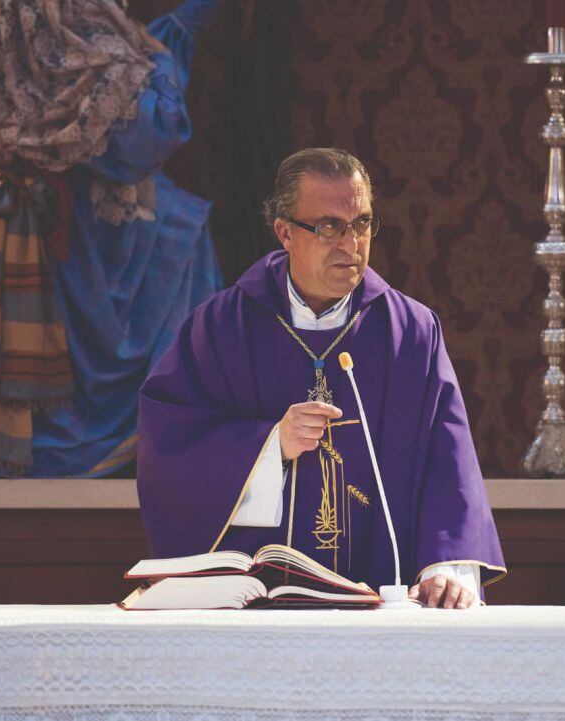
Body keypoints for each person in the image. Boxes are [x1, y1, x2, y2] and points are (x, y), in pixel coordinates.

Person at [137, 148, 505, 608]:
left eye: (363, 223)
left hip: (382, 604)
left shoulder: (410, 332)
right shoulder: (221, 327)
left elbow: (448, 456)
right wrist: (270, 445)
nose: (351, 245)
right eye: (329, 226)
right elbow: (169, 444)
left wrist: (447, 566)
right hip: (257, 610)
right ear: (285, 233)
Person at [0, 0, 222, 476]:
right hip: (67, 229)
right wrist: (165, 58)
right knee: (180, 234)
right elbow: (149, 134)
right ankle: (148, 422)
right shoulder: (83, 31)